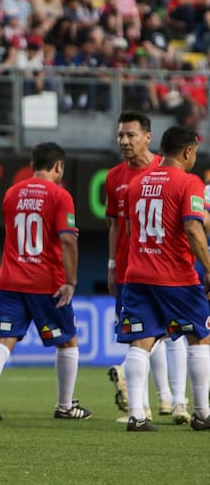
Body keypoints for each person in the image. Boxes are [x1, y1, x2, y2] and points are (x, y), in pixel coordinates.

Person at [0, 142, 92, 421]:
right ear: (58, 167)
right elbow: (67, 239)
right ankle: (65, 405)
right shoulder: (60, 195)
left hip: (11, 280)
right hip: (46, 282)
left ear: (32, 165)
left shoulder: (11, 194)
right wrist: (71, 280)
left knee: (4, 339)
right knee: (67, 341)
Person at [118, 125, 210, 432]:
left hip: (138, 274)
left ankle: (137, 416)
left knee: (140, 342)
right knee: (201, 336)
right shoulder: (189, 182)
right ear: (187, 152)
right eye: (195, 152)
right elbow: (195, 230)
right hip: (176, 277)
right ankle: (202, 413)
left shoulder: (136, 182)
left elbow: (130, 230)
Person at [104, 111, 188, 425]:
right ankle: (154, 402)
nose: (124, 141)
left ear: (148, 137)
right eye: (120, 135)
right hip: (130, 270)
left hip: (168, 267)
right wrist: (112, 263)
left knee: (174, 334)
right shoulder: (114, 177)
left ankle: (177, 401)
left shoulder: (164, 169)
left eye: (131, 135)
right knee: (145, 336)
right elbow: (114, 224)